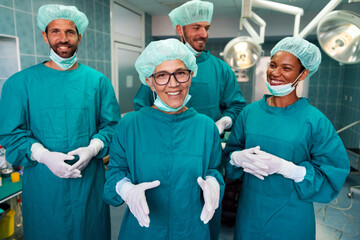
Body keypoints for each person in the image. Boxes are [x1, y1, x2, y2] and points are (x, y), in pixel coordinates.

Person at [0, 5, 120, 240]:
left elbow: (112, 126)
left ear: (79, 36)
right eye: (55, 31)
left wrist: (93, 148)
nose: (63, 39)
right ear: (45, 36)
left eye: (70, 32)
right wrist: (43, 155)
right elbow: (11, 134)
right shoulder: (19, 83)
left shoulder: (98, 82)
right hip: (44, 187)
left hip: (89, 187)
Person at [223, 37, 350, 240]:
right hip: (250, 215)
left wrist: (290, 170)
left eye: (286, 68)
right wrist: (235, 158)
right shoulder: (249, 113)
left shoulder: (315, 121)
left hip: (291, 218)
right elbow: (229, 158)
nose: (275, 73)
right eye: (272, 65)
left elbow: (332, 175)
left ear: (303, 73)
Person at [103, 38, 225, 239]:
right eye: (162, 75)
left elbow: (214, 169)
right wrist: (125, 189)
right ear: (149, 81)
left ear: (191, 75)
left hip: (191, 227)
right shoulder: (130, 125)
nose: (173, 83)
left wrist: (213, 182)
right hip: (144, 230)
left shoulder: (205, 126)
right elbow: (115, 173)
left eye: (180, 73)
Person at [133, 0, 246, 135]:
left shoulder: (221, 69)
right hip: (166, 140)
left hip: (207, 140)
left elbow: (237, 106)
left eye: (207, 28)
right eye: (196, 27)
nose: (203, 34)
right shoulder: (159, 66)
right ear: (180, 30)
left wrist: (224, 121)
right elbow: (142, 107)